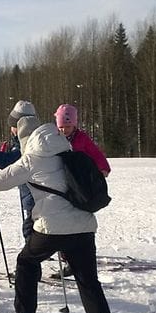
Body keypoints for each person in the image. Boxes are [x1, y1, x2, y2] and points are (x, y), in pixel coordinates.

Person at [0, 120, 138, 313]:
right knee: (88, 282)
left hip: (51, 228)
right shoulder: (68, 152)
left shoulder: (31, 159)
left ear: (27, 139)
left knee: (26, 262)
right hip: (83, 226)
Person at [53, 103, 110, 278]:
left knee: (78, 222)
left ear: (75, 125)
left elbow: (96, 153)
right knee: (63, 224)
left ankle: (78, 258)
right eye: (61, 127)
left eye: (68, 126)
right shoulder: (54, 138)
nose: (64, 130)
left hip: (80, 186)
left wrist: (103, 167)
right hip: (62, 184)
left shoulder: (82, 138)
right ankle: (67, 258)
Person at [0, 100, 38, 240]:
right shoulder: (37, 138)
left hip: (33, 196)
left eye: (14, 126)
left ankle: (33, 254)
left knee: (31, 228)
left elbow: (13, 161)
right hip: (33, 195)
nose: (11, 130)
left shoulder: (27, 144)